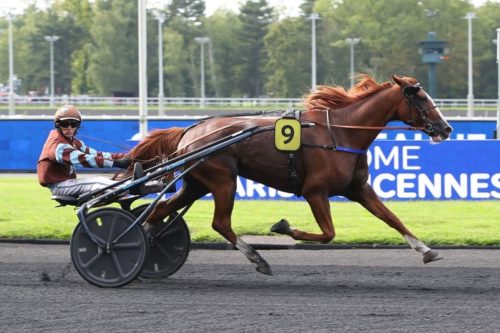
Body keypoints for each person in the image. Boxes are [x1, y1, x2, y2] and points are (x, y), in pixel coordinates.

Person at [37, 105, 132, 198]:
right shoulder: (57, 144)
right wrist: (116, 163)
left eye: (73, 124)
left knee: (101, 182)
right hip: (59, 186)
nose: (69, 127)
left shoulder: (73, 141)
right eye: (65, 124)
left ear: (77, 126)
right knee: (97, 182)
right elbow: (84, 159)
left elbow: (96, 154)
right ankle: (131, 188)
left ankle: (129, 188)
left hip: (68, 183)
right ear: (58, 125)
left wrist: (128, 156)